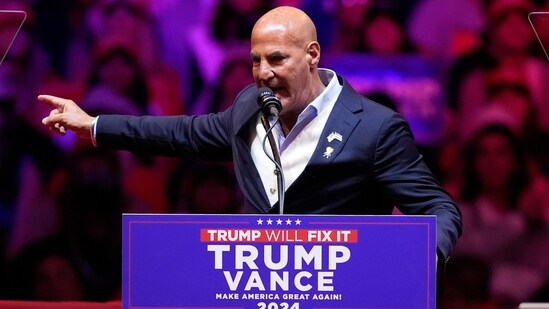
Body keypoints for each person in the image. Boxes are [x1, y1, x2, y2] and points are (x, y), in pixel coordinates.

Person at [39, 6, 462, 267]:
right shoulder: (250, 107)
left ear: (312, 55)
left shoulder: (375, 126)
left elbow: (438, 208)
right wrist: (94, 124)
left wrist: (419, 261)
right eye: (255, 60)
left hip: (342, 296)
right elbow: (183, 133)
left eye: (276, 58)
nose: (262, 72)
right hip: (254, 294)